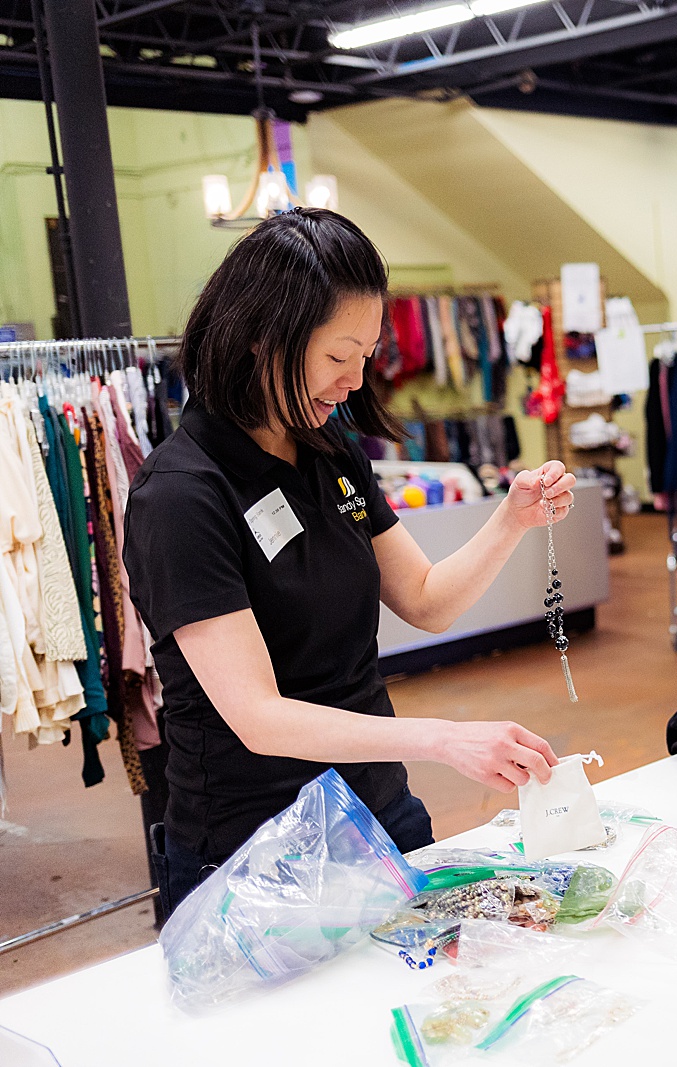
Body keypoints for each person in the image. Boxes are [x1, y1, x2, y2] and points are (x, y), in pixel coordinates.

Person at [123, 208, 579, 911]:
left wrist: (511, 519)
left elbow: (425, 597)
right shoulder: (182, 495)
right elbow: (259, 715)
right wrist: (446, 739)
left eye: (365, 355)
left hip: (378, 814)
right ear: (260, 339)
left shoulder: (328, 450)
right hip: (256, 854)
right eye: (339, 357)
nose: (354, 379)